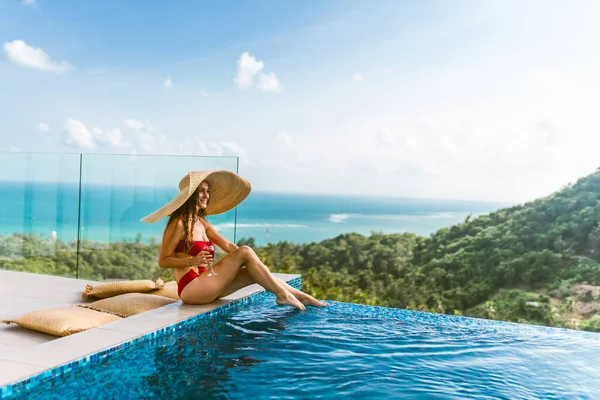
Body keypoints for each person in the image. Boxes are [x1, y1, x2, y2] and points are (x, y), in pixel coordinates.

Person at [141, 169, 328, 310]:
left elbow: (228, 245)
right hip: (192, 288)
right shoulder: (179, 223)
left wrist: (252, 261)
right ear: (190, 196)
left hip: (208, 283)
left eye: (207, 191)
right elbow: (163, 260)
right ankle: (282, 295)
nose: (206, 195)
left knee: (253, 270)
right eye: (201, 191)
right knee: (246, 251)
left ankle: (301, 296)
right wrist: (192, 260)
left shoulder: (202, 223)